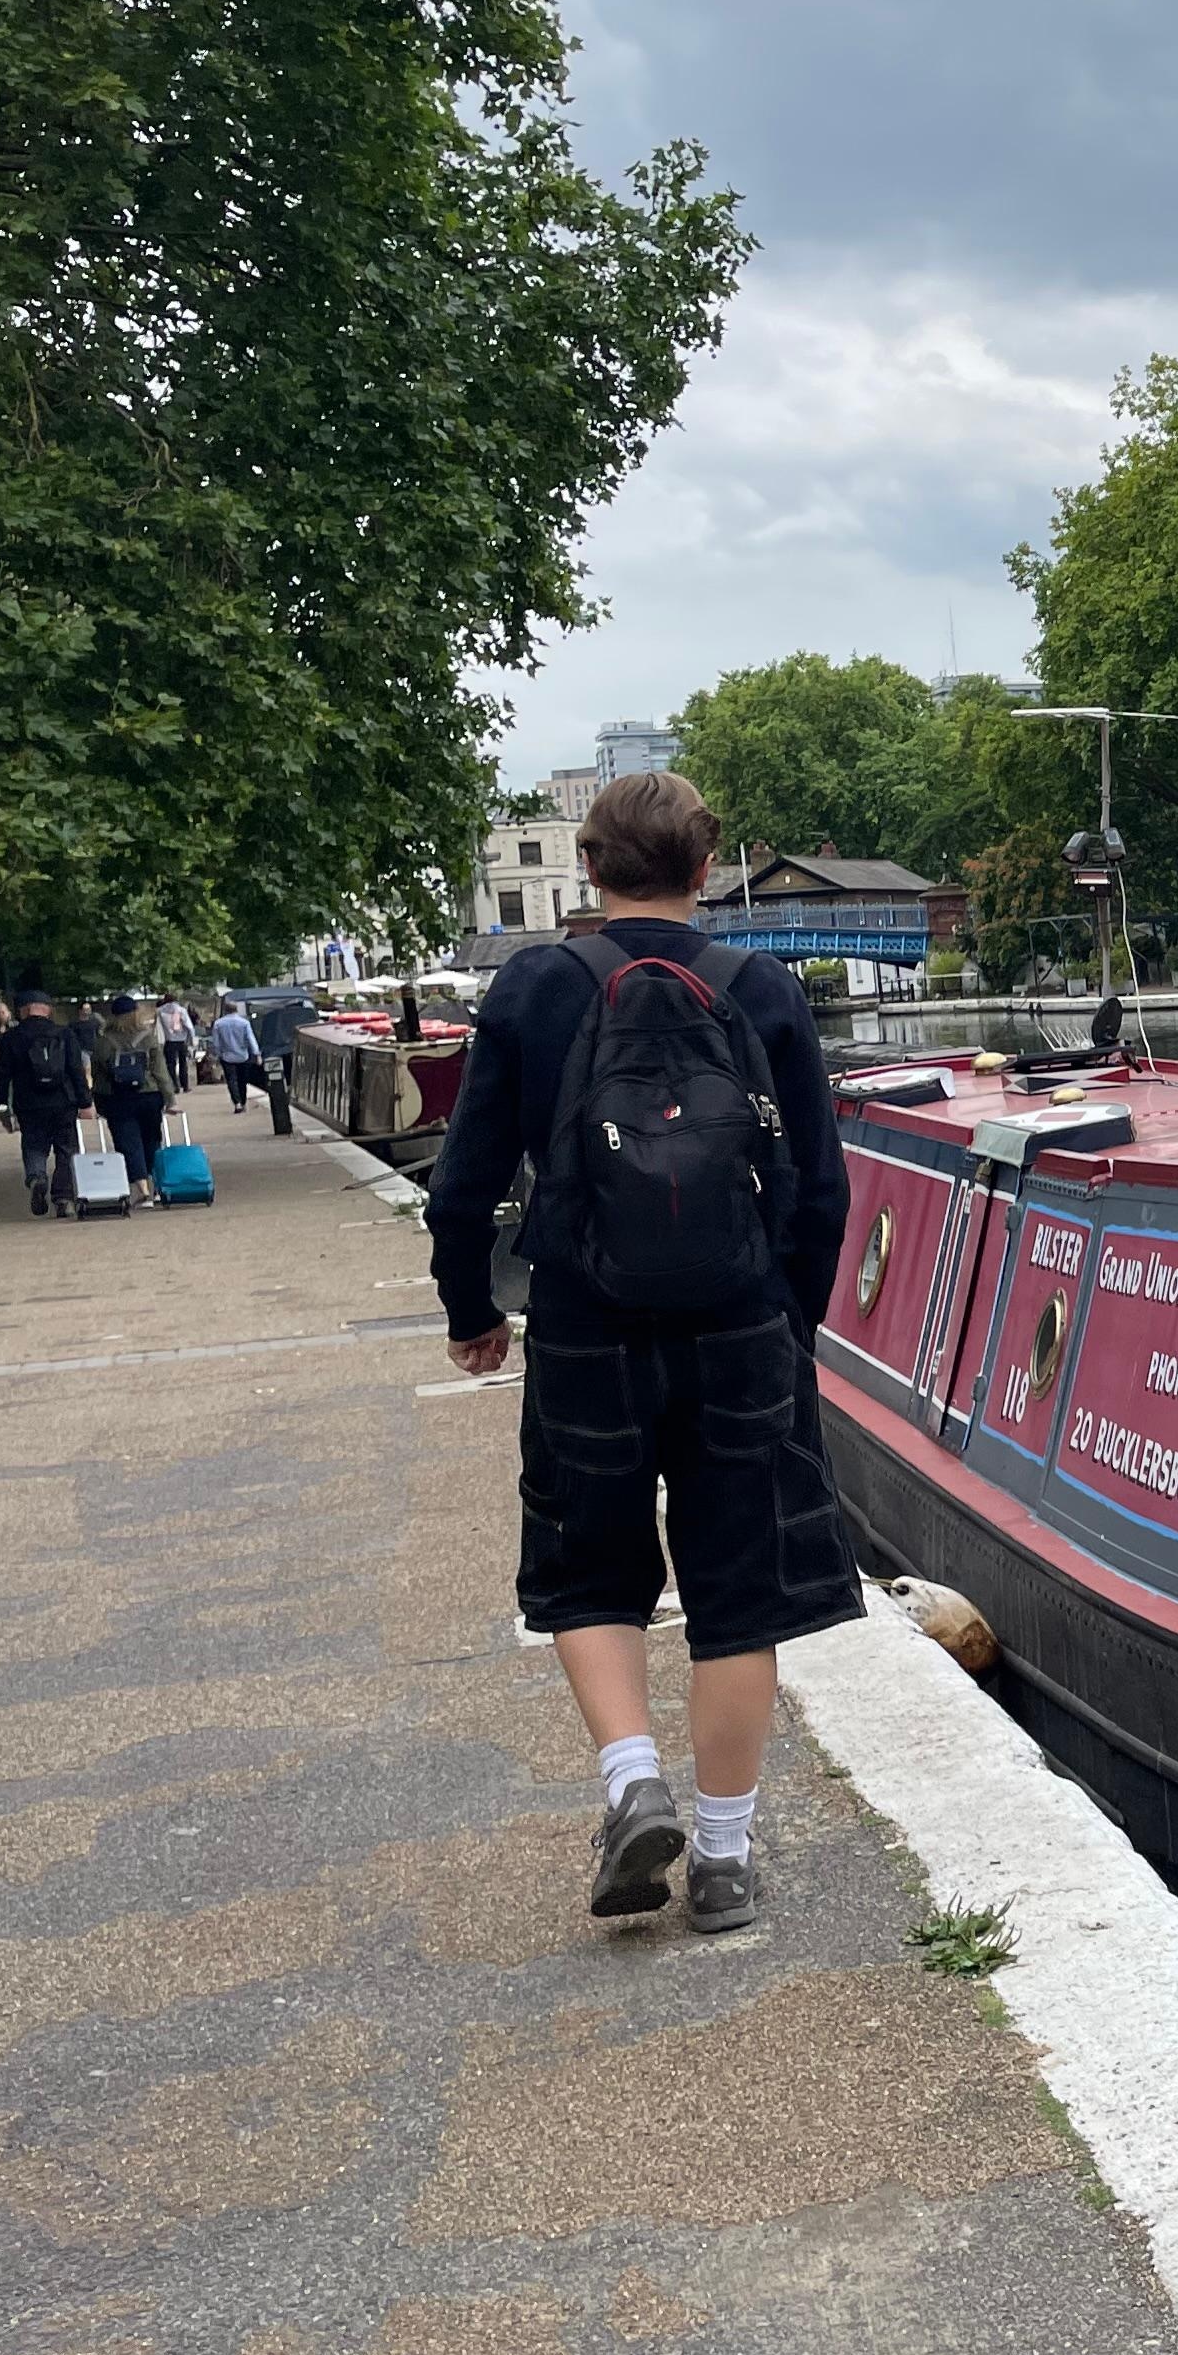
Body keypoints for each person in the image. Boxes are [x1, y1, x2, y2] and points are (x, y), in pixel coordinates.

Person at [425, 770, 855, 1936]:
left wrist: (473, 1311)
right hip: (739, 1326)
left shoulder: (533, 987)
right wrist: (787, 1322)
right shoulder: (758, 986)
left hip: (583, 1323)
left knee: (587, 1569)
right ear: (704, 869)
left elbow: (462, 1186)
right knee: (738, 1593)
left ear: (593, 867)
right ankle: (722, 1857)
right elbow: (822, 1186)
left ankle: (632, 1782)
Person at [0, 988, 89, 1216]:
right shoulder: (64, 1034)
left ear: (23, 1010)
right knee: (66, 1149)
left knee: (34, 1144)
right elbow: (76, 1070)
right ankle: (63, 1198)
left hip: (29, 1103)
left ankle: (36, 1177)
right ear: (48, 1010)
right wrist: (85, 1101)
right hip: (63, 1101)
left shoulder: (10, 1038)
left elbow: (1, 1076)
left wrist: (2, 1106)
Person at [91, 995, 170, 1202]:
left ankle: (143, 1191)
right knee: (152, 1140)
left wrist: (98, 1103)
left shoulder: (103, 1041)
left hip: (118, 1098)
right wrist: (170, 1099)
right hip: (149, 1095)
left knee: (128, 1143)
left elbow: (98, 1075)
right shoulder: (148, 1037)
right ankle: (157, 1187)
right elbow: (160, 1071)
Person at [212, 994, 262, 1110]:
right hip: (242, 1055)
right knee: (242, 1080)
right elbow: (251, 1039)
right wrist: (257, 1054)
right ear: (237, 1010)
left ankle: (237, 1102)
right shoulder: (244, 1023)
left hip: (227, 1056)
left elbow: (216, 1043)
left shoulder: (219, 1024)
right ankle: (243, 1102)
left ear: (225, 1010)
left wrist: (218, 1054)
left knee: (231, 1080)